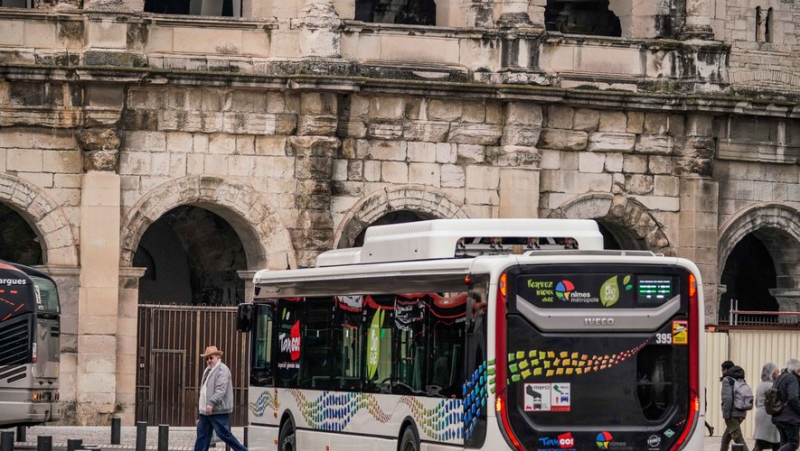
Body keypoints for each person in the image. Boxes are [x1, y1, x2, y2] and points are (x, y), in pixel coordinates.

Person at [194, 345, 247, 451]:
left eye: (211, 357)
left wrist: (211, 403)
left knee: (224, 434)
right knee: (202, 435)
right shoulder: (208, 370)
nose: (209, 360)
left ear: (218, 357)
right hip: (206, 410)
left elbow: (220, 389)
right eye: (207, 358)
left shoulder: (222, 370)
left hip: (217, 410)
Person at [721, 361, 750, 451]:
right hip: (741, 412)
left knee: (738, 439)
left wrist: (726, 415)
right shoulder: (740, 379)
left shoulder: (727, 380)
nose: (722, 372)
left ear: (725, 369)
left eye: (722, 369)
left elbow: (728, 399)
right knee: (726, 438)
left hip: (732, 414)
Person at [772, 359, 800, 451]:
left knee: (784, 442)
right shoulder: (792, 378)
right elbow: (793, 397)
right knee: (793, 443)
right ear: (795, 368)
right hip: (789, 418)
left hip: (778, 416)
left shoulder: (779, 378)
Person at [754, 362, 781, 451]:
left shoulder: (761, 385)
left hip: (760, 414)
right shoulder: (771, 386)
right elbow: (775, 402)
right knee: (776, 442)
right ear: (772, 372)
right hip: (769, 415)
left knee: (760, 442)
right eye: (777, 371)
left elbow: (757, 402)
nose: (778, 373)